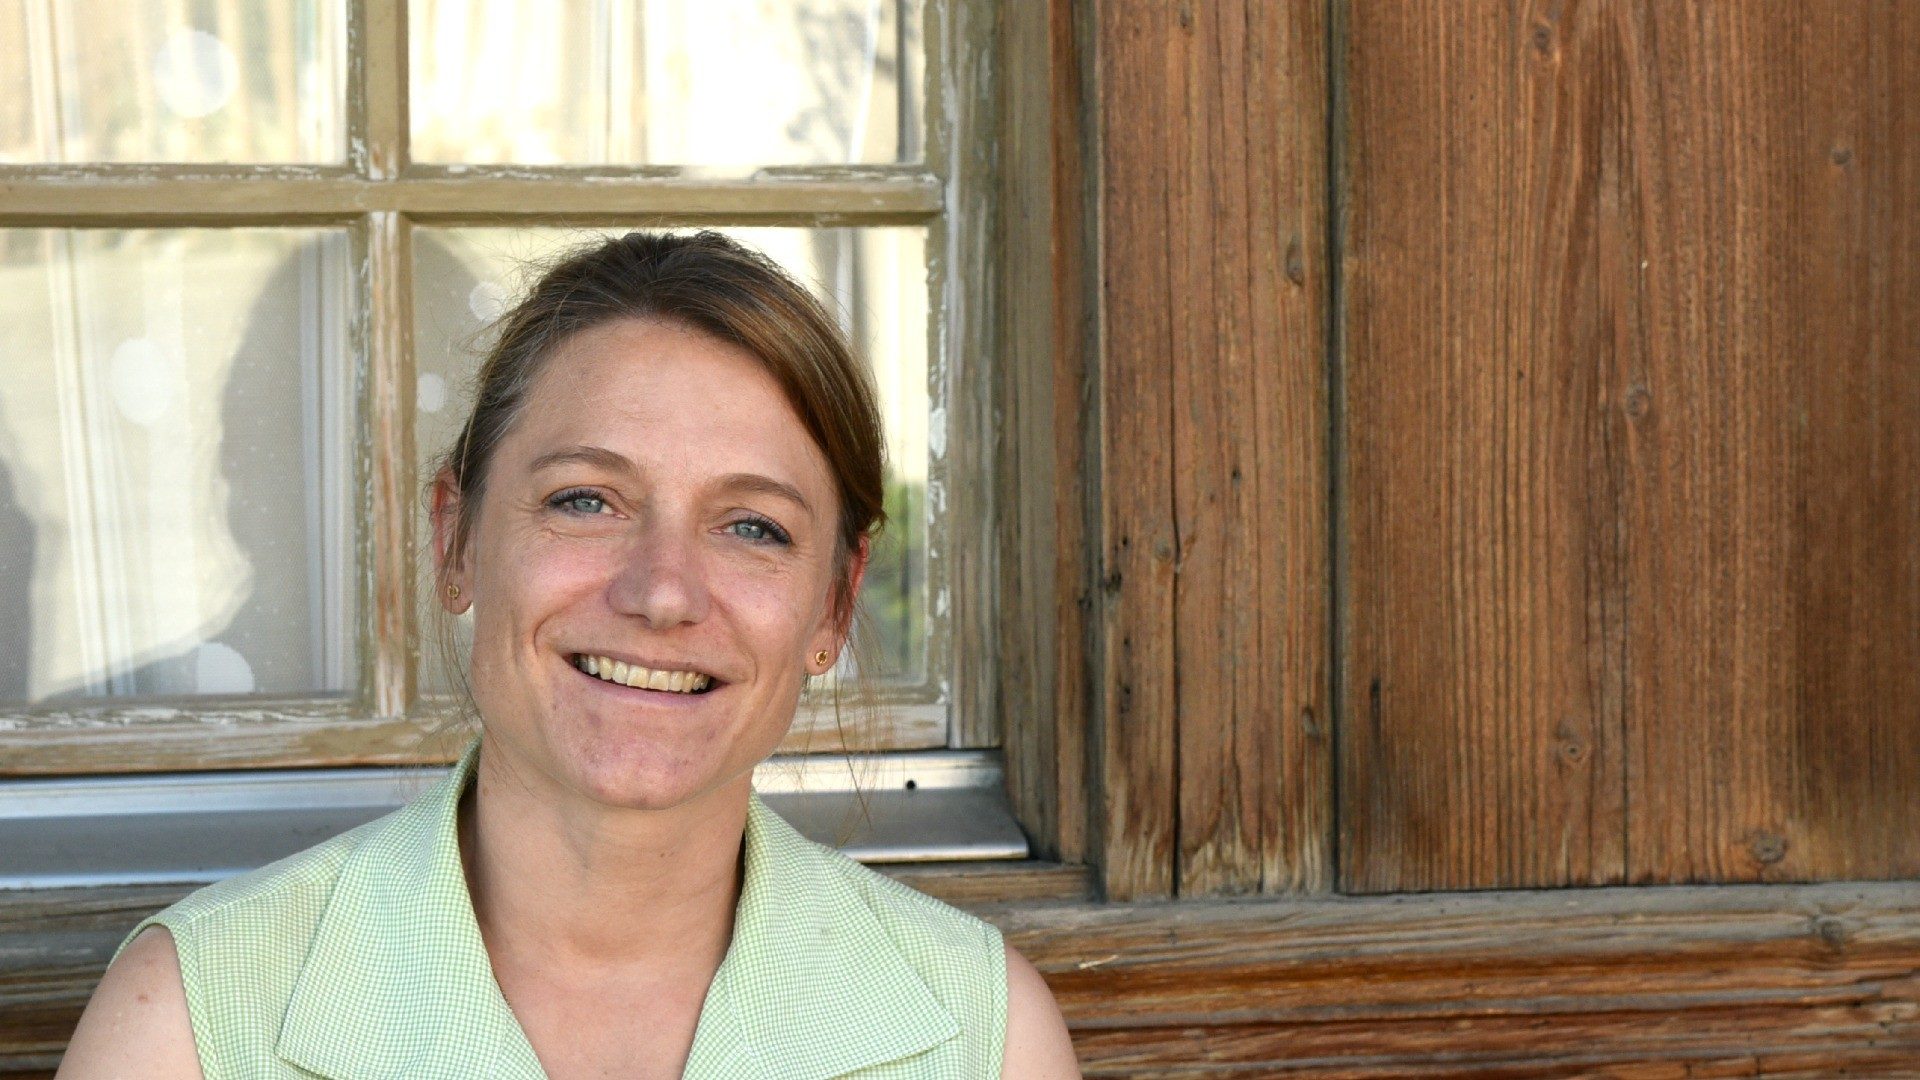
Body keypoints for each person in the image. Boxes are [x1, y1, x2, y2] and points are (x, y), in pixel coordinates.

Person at [59, 231, 1081, 1078]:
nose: (663, 591)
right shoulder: (191, 1024)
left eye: (753, 527)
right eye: (585, 501)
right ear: (455, 541)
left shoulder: (980, 1037)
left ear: (835, 603)